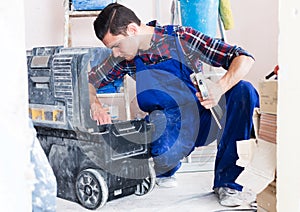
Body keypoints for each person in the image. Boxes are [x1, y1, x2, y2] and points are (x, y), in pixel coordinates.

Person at [88, 3, 259, 207]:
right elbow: (88, 80)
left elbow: (243, 58)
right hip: (168, 126)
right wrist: (95, 104)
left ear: (132, 30)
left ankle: (228, 183)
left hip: (202, 118)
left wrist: (219, 87)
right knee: (160, 126)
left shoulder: (180, 37)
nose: (115, 53)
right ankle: (165, 168)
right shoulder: (127, 57)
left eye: (116, 46)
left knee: (244, 91)